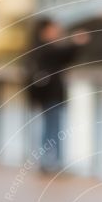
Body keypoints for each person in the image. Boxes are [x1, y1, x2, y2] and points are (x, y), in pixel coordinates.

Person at [26, 18, 89, 174]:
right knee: (54, 128)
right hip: (51, 95)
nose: (57, 32)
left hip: (45, 95)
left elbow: (64, 57)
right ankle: (53, 161)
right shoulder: (46, 48)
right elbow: (65, 55)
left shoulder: (36, 48)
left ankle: (49, 161)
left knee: (50, 127)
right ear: (45, 30)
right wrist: (77, 43)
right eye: (54, 29)